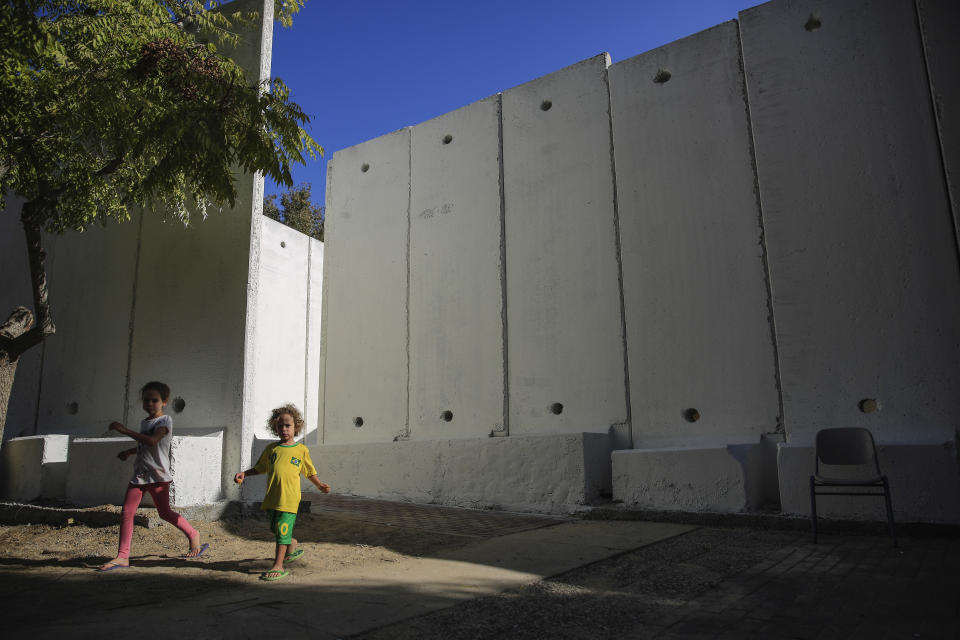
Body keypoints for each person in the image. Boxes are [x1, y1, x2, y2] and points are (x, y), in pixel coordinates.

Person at [98, 381, 208, 571]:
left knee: (164, 512)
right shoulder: (145, 422)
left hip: (157, 476)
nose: (149, 404)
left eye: (154, 400)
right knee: (127, 512)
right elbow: (145, 446)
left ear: (164, 401)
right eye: (146, 400)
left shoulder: (165, 421)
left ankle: (193, 534)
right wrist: (130, 452)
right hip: (140, 475)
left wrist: (125, 431)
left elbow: (152, 441)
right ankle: (123, 556)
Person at [234, 404, 330, 581]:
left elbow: (309, 472)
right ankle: (292, 544)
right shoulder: (272, 450)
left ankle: (278, 565)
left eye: (288, 426)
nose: (284, 429)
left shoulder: (301, 450)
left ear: (296, 427)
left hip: (290, 499)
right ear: (275, 428)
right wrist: (244, 474)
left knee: (282, 530)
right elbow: (260, 468)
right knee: (276, 529)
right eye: (280, 426)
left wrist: (319, 485)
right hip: (272, 499)